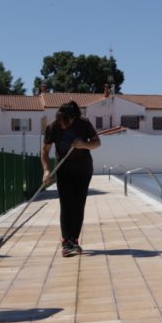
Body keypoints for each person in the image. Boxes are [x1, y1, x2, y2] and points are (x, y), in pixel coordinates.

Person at [41, 101, 100, 257]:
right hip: (63, 169)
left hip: (83, 169)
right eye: (61, 120)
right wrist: (46, 170)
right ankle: (66, 242)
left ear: (74, 118)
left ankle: (74, 240)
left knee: (78, 204)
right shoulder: (53, 127)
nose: (64, 124)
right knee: (66, 204)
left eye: (67, 121)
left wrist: (83, 144)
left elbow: (97, 143)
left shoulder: (84, 123)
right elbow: (45, 151)